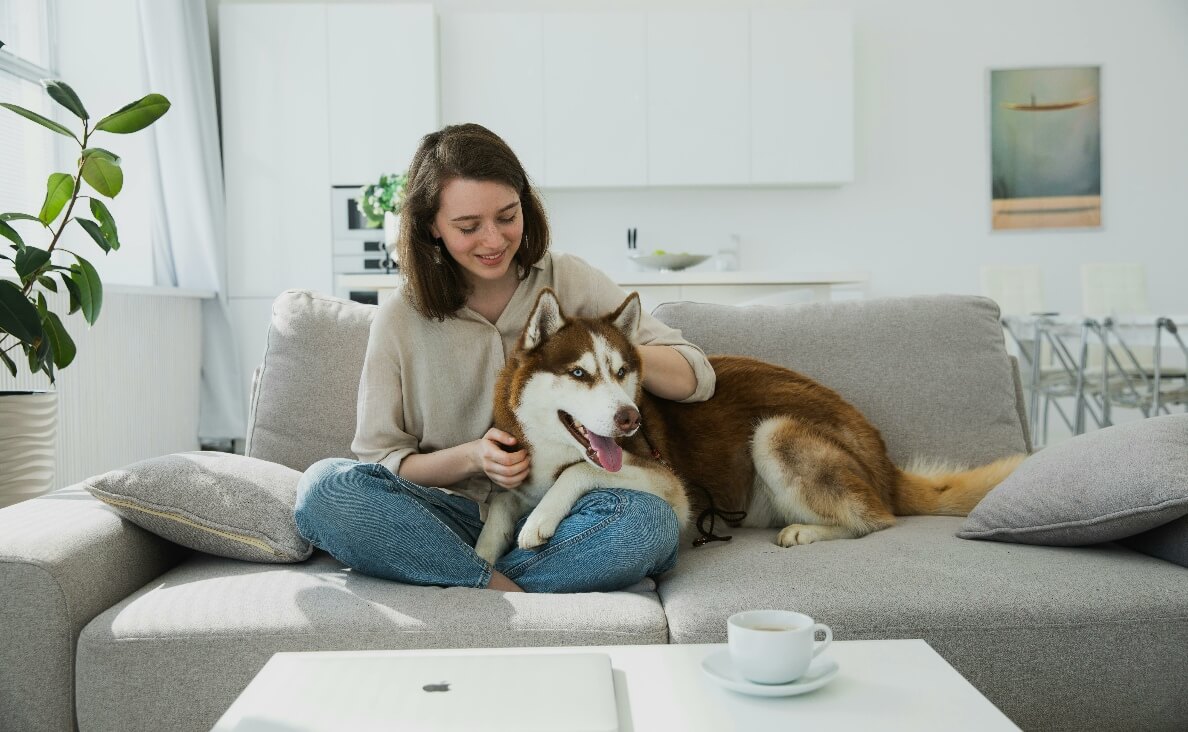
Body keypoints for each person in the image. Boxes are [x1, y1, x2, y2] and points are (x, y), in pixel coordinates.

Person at [294, 123, 716, 593]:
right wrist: (474, 457)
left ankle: (471, 585)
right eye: (468, 227)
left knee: (648, 524)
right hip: (446, 518)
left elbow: (695, 376)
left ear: (525, 205)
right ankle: (499, 586)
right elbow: (383, 459)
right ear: (432, 226)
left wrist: (602, 348)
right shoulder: (399, 319)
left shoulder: (569, 279)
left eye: (507, 216)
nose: (493, 240)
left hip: (565, 513)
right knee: (323, 489)